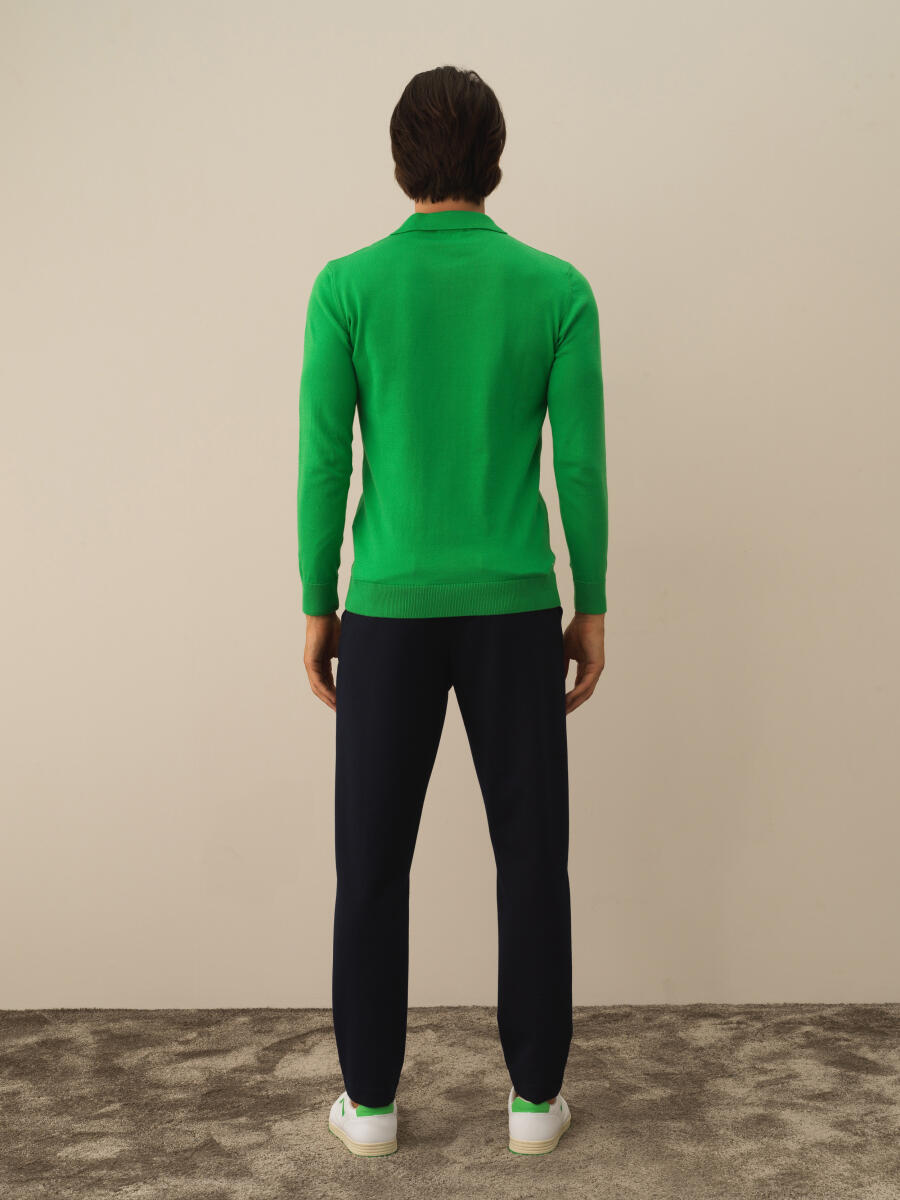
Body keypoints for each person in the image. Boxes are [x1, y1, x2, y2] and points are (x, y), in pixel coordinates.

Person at [297, 64, 607, 1158]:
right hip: (515, 610)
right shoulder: (557, 289)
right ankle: (533, 1104)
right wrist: (593, 606)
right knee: (531, 858)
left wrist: (318, 604)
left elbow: (325, 462)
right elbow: (580, 466)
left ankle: (371, 1107)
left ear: (400, 162)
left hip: (385, 611)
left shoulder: (346, 288)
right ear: (495, 159)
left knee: (372, 863)